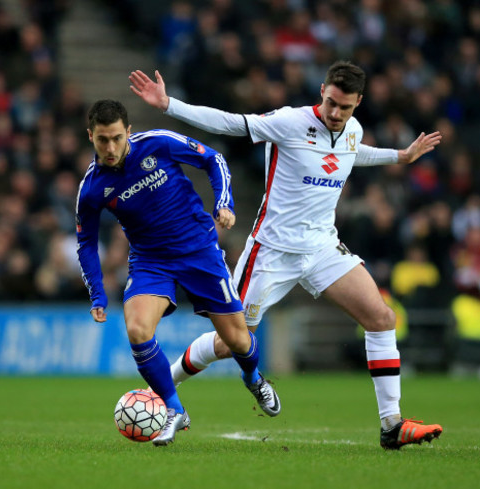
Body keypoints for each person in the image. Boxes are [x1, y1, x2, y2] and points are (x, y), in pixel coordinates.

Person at [129, 60, 444, 450]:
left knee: (381, 318)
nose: (335, 113)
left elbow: (352, 152)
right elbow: (230, 122)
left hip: (322, 247)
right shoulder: (289, 122)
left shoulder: (352, 130)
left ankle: (391, 425)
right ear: (322, 91)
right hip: (271, 252)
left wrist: (400, 156)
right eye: (330, 103)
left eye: (344, 108)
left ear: (358, 103)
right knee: (230, 344)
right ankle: (161, 385)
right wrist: (168, 105)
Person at [75, 99, 280, 446]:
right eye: (101, 140)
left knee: (238, 341)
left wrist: (224, 202)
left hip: (198, 250)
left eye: (115, 138)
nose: (110, 148)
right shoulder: (92, 188)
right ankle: (174, 409)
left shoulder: (157, 143)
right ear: (90, 136)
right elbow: (85, 243)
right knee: (138, 330)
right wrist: (97, 292)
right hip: (150, 260)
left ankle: (253, 377)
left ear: (128, 132)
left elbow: (213, 158)